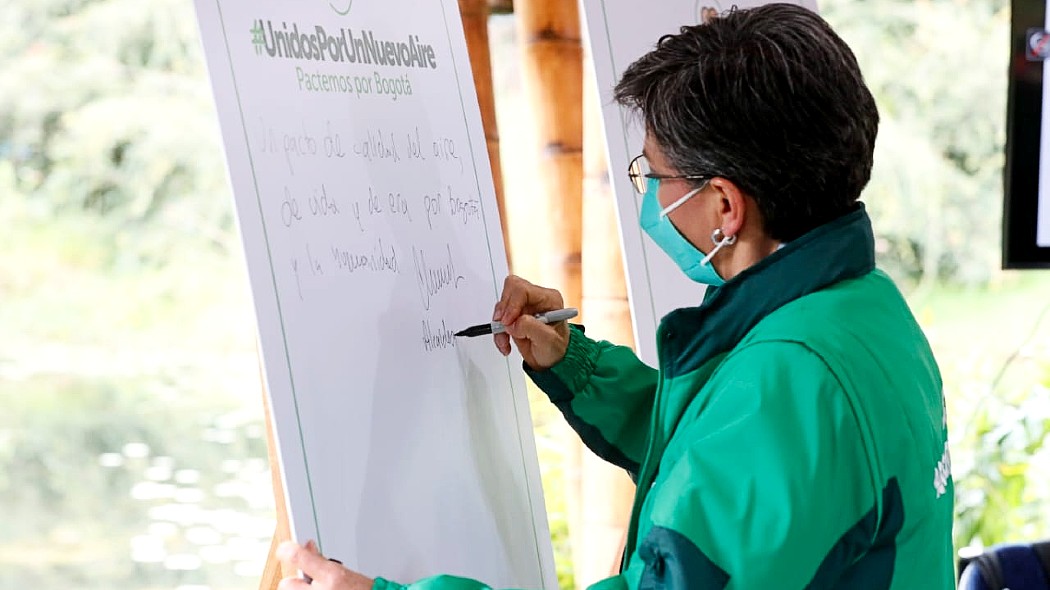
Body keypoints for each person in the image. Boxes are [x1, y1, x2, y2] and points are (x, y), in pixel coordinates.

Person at [277, 3, 955, 589]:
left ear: (724, 205)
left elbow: (748, 455)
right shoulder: (859, 306)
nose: (652, 195)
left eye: (656, 175)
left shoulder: (792, 380)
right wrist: (572, 361)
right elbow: (728, 471)